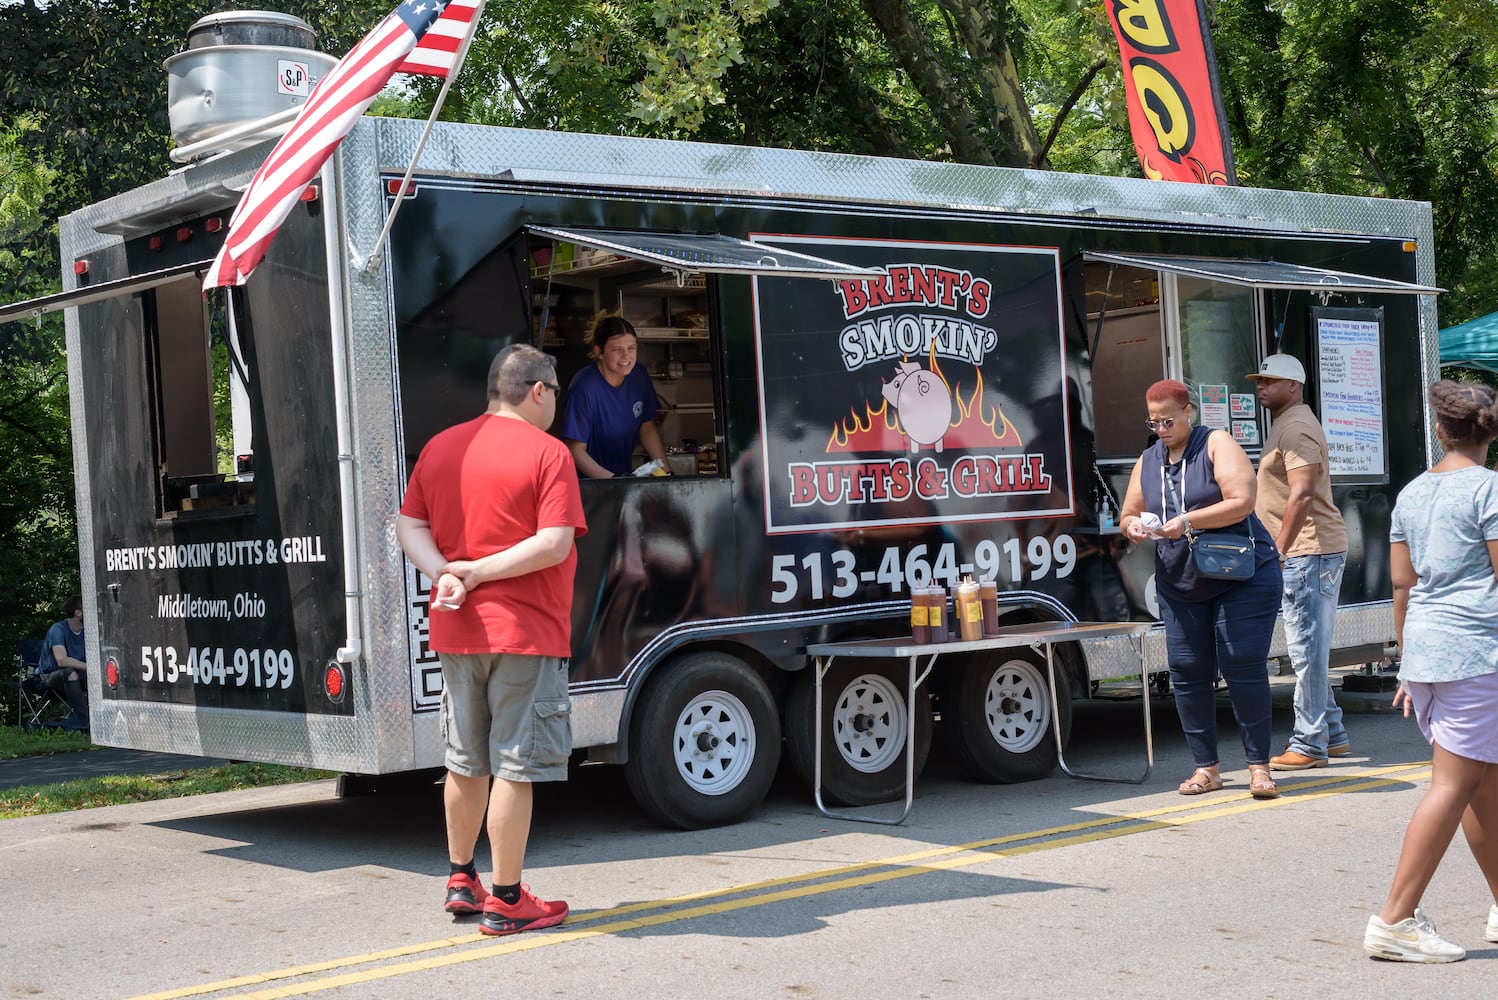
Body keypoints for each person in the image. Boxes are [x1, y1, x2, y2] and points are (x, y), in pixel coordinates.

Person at [396, 343, 587, 938]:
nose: (556, 401)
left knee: (464, 759)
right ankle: (507, 898)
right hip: (525, 633)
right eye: (556, 391)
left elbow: (408, 524)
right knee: (513, 766)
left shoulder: (442, 446)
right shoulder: (549, 454)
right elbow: (554, 543)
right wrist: (475, 571)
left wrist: (444, 572)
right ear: (536, 390)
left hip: (456, 630)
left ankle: (461, 879)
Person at [1363, 380, 1498, 964]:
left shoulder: (1413, 493)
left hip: (1427, 651)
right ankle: (1395, 919)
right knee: (1454, 785)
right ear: (1490, 432)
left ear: (1439, 431)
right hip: (1476, 651)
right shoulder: (1489, 489)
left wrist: (1405, 663)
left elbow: (1401, 584)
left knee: (1481, 782)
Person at [1120, 379, 1283, 799]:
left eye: (1168, 420)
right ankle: (1206, 768)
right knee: (1188, 671)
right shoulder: (1149, 457)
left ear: (1189, 411)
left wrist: (1188, 521)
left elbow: (1242, 500)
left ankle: (1259, 768)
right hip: (1181, 578)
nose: (1160, 429)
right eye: (1153, 421)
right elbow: (1128, 512)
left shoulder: (1216, 443)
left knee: (1241, 663)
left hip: (1239, 573)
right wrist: (1134, 526)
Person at [1246, 354, 1352, 770]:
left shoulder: (1297, 428)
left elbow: (1303, 493)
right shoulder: (1288, 423)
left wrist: (1278, 549)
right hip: (1308, 550)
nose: (1261, 387)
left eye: (1270, 381)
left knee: (1306, 651)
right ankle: (1335, 733)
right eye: (1259, 380)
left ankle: (1309, 744)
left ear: (1293, 385)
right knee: (1311, 648)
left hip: (1309, 550)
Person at [561, 314, 669, 478]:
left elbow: (647, 429)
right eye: (616, 349)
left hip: (622, 479)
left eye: (631, 348)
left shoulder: (638, 376)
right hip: (588, 486)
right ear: (599, 352)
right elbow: (575, 449)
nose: (626, 356)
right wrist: (612, 482)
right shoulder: (583, 388)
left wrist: (667, 475)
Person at [38, 594, 89, 730]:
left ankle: (104, 718)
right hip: (49, 677)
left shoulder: (88, 632)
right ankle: (85, 722)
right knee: (70, 673)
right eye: (88, 609)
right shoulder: (58, 629)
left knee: (99, 676)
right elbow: (61, 660)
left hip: (76, 676)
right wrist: (89, 667)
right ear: (78, 613)